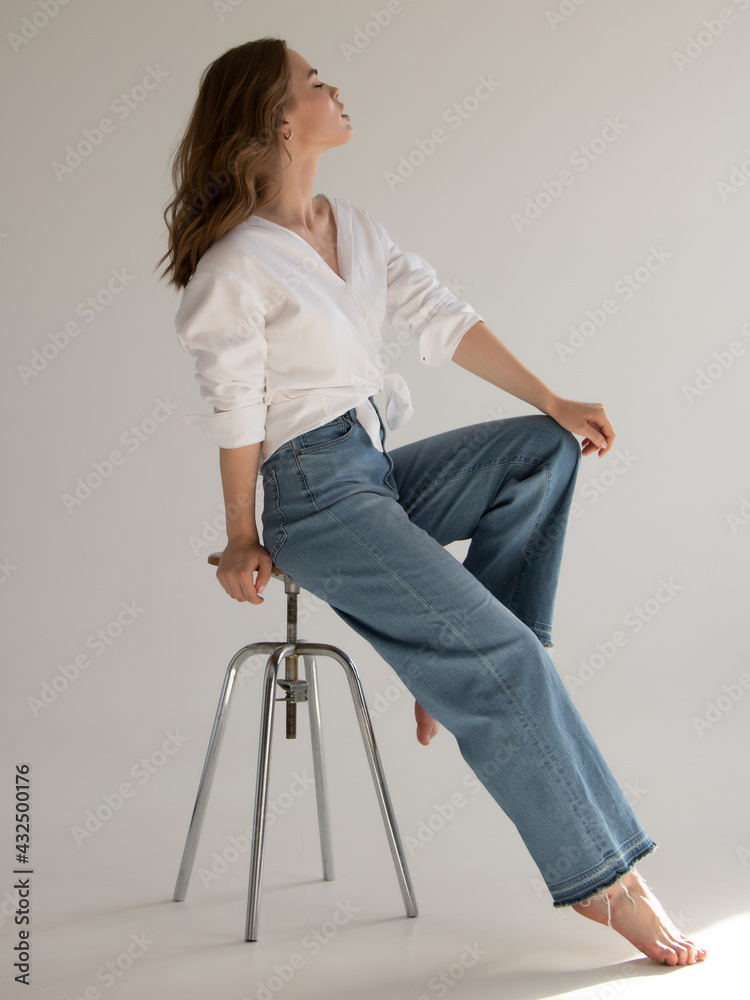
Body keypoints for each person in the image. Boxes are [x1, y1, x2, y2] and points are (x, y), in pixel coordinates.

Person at [156, 36, 706, 966]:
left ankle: (456, 667)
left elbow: (445, 317)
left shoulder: (352, 228)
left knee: (543, 451)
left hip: (369, 471)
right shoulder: (236, 264)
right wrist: (241, 535)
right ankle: (605, 882)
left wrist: (553, 399)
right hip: (311, 497)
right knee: (507, 661)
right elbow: (235, 407)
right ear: (280, 120)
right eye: (313, 81)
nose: (334, 87)